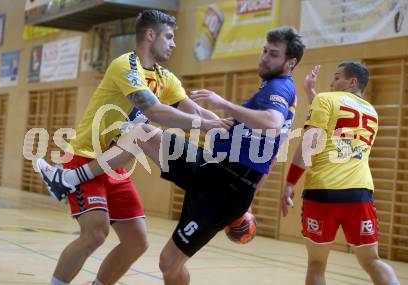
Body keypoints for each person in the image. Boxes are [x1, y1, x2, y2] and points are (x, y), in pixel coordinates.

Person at [38, 26, 305, 284]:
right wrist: (214, 121)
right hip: (212, 169)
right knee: (142, 132)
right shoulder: (128, 66)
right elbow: (201, 118)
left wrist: (221, 106)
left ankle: (70, 179)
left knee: (168, 262)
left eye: (273, 54)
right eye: (265, 51)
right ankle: (71, 178)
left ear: (290, 63)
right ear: (150, 35)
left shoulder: (278, 88)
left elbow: (270, 121)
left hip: (224, 188)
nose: (264, 57)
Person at [40, 10, 229, 285]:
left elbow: (195, 110)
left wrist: (234, 128)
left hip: (115, 166)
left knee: (136, 242)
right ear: (150, 35)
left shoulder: (166, 77)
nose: (174, 43)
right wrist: (207, 125)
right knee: (95, 233)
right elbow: (153, 110)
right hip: (85, 156)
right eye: (169, 36)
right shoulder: (125, 65)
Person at [281, 61, 400, 285]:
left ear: (352, 81)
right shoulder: (372, 113)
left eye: (337, 77)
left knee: (317, 265)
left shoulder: (325, 99)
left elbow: (310, 142)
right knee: (372, 261)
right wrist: (311, 94)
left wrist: (290, 182)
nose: (331, 81)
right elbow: (337, 119)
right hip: (359, 194)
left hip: (323, 192)